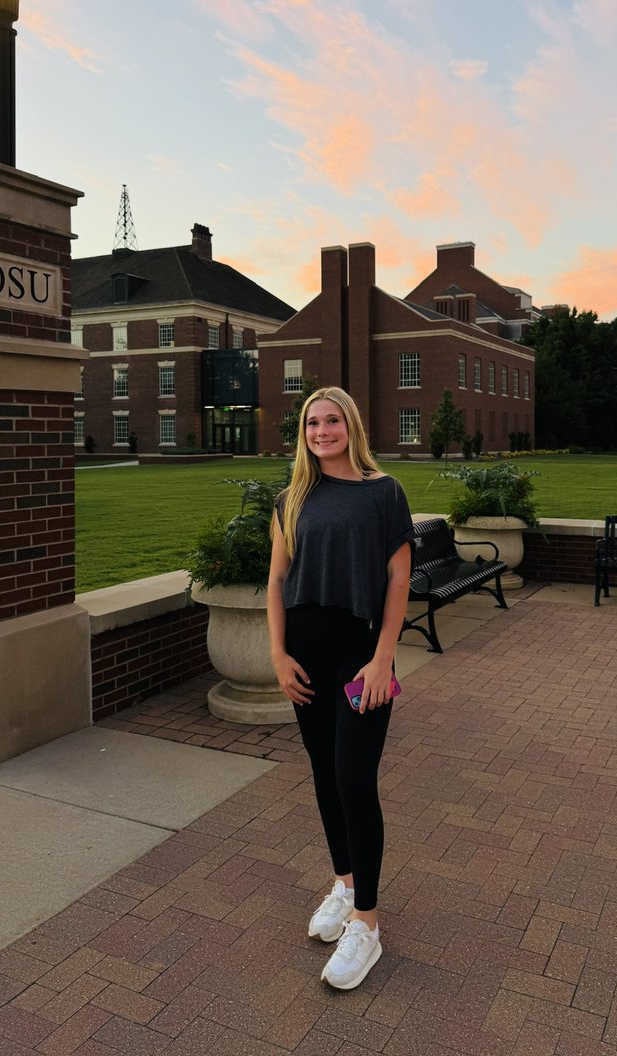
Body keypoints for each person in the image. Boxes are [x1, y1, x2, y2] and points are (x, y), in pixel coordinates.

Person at [267, 387, 413, 990]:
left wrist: (383, 659)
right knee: (326, 776)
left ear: (350, 425)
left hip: (358, 655)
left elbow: (400, 580)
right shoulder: (291, 498)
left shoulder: (382, 493)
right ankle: (345, 884)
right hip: (303, 652)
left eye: (331, 421)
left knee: (355, 781)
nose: (321, 431)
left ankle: (368, 926)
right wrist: (277, 655)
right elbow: (276, 580)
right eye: (311, 423)